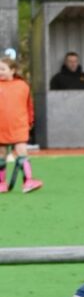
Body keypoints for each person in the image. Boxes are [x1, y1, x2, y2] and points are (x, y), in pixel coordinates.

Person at [0, 54, 42, 193]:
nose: (0, 72)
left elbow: (29, 106)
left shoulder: (22, 85)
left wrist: (30, 121)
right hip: (1, 126)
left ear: (12, 70)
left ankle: (28, 181)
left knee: (22, 151)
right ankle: (1, 184)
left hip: (18, 126)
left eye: (3, 69)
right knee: (1, 154)